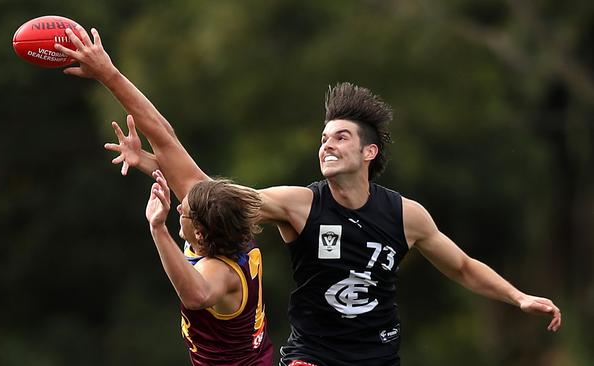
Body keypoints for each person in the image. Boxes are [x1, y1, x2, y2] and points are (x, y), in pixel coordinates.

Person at [55, 26, 562, 366]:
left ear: (370, 152)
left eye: (341, 136)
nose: (327, 142)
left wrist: (517, 296)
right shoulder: (298, 204)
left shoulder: (405, 215)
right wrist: (111, 79)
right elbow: (203, 189)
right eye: (323, 136)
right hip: (311, 358)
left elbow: (464, 267)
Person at [145, 169, 273, 365]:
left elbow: (196, 296)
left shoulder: (221, 271)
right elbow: (185, 178)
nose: (179, 209)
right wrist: (142, 160)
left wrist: (158, 228)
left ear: (199, 233)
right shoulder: (228, 227)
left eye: (184, 212)